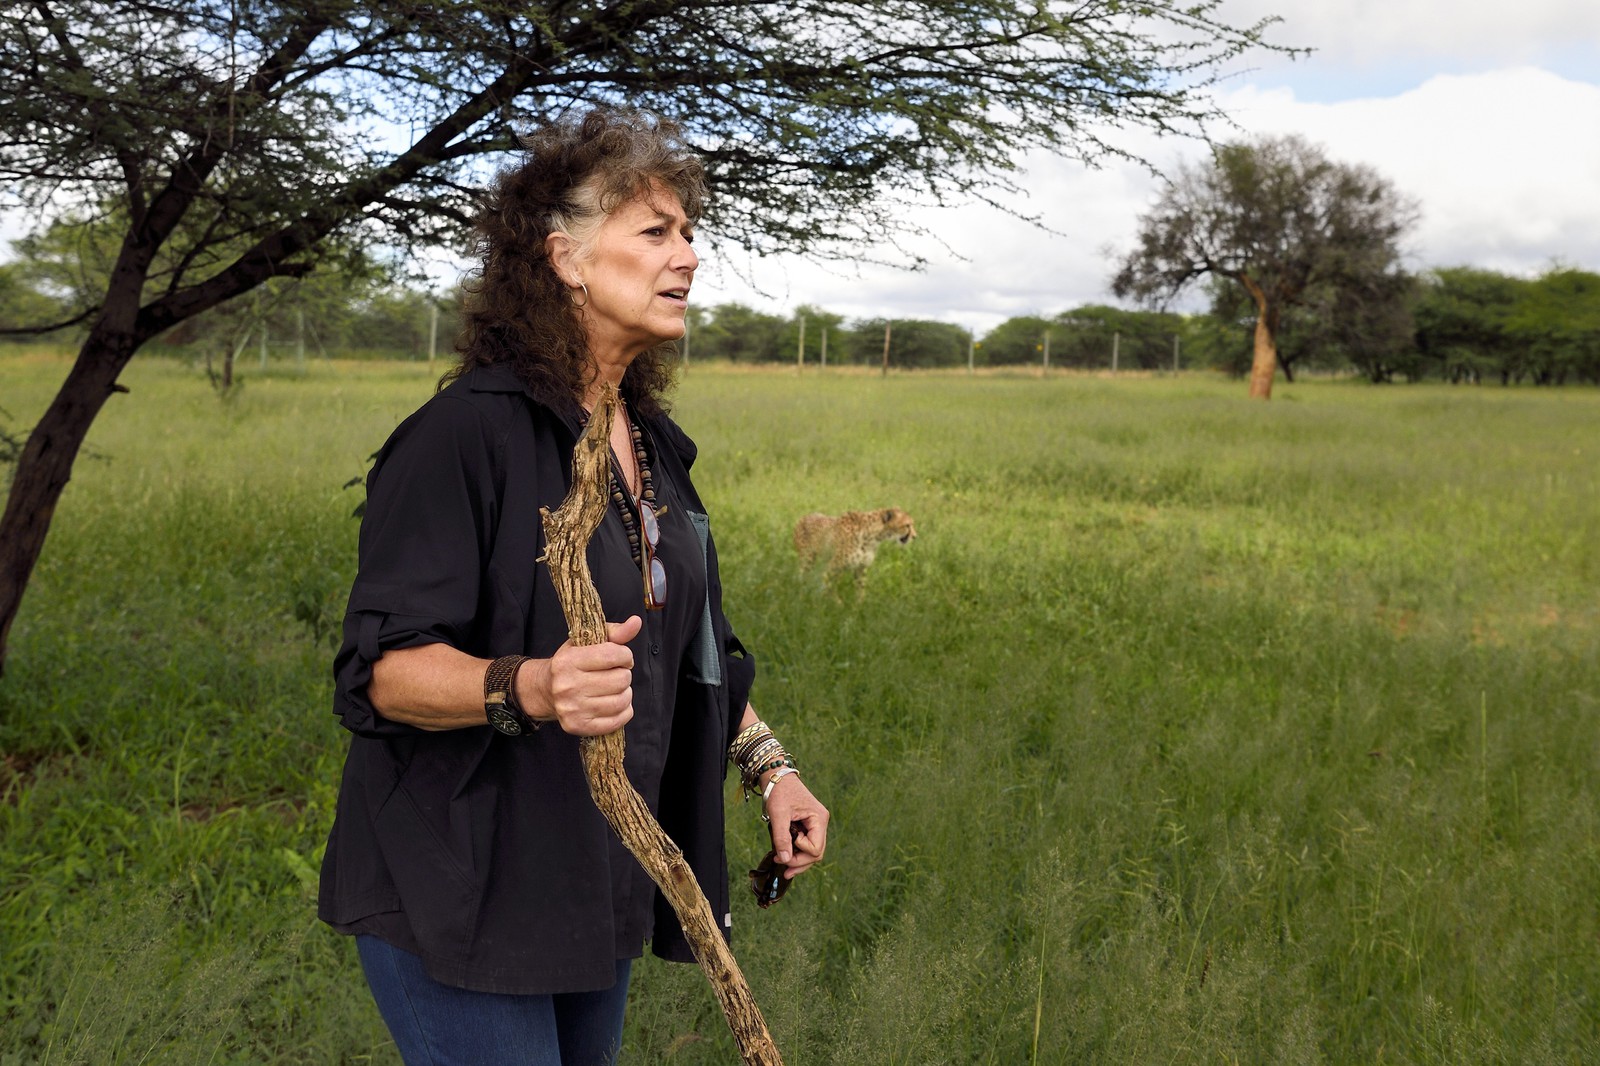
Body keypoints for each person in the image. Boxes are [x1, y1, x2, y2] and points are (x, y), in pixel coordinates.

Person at [317, 107, 829, 1066]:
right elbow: (381, 673)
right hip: (463, 886)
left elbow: (693, 647)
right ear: (564, 259)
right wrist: (532, 686)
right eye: (655, 232)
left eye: (689, 232)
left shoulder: (654, 448)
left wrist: (770, 767)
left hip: (594, 875)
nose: (688, 254)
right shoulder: (464, 437)